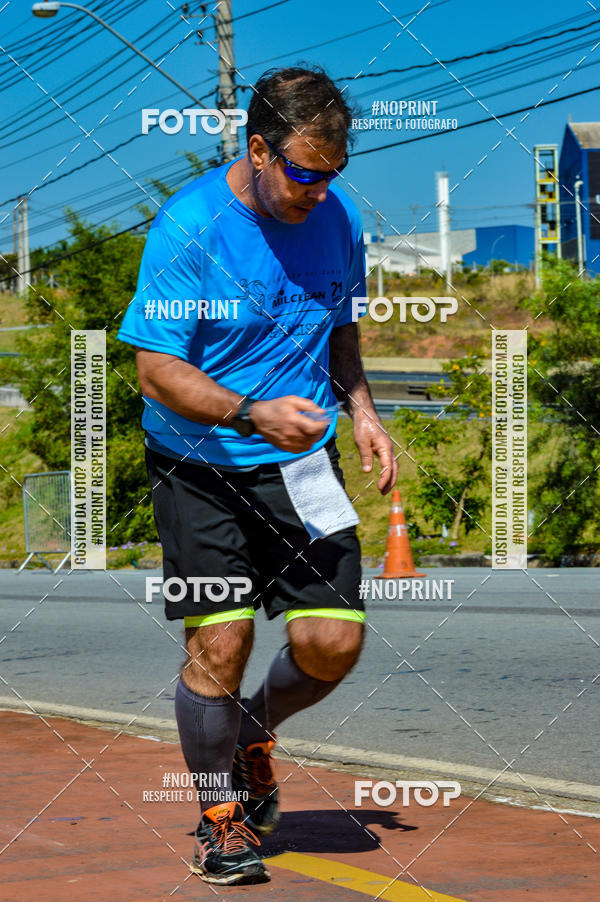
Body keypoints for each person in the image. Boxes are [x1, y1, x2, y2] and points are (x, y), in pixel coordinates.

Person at [117, 65, 397, 886]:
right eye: (304, 173)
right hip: (200, 466)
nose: (318, 191)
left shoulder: (336, 217)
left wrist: (365, 412)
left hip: (303, 465)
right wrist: (248, 412)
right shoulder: (189, 228)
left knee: (331, 642)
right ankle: (220, 820)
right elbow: (157, 370)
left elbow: (340, 331)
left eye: (332, 174)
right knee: (222, 640)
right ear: (259, 149)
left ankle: (249, 733)